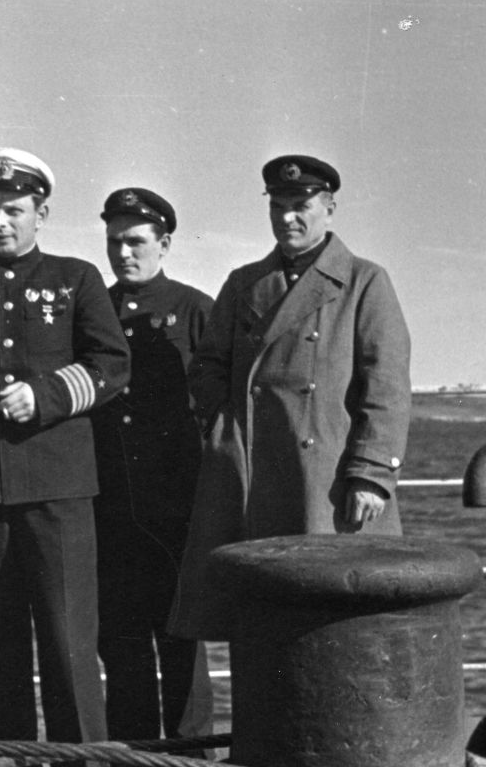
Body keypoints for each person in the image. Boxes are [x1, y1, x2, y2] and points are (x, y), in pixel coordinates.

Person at [0, 148, 129, 747]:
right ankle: (4, 758)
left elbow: (112, 364)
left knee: (68, 642)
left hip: (58, 492)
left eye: (12, 210)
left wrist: (44, 396)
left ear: (42, 213)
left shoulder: (76, 279)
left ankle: (82, 760)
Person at [169, 155, 411, 640]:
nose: (287, 218)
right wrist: (225, 425)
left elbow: (385, 385)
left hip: (327, 482)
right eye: (278, 206)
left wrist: (371, 473)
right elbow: (207, 366)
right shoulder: (243, 283)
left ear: (329, 208)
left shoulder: (364, 281)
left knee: (333, 620)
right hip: (251, 473)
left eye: (301, 206)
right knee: (259, 615)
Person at [91, 188, 214, 749]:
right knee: (121, 643)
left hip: (176, 506)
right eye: (114, 242)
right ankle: (133, 756)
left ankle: (191, 755)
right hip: (111, 505)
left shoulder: (195, 310)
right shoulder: (93, 311)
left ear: (164, 244)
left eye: (136, 241)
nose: (123, 253)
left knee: (181, 638)